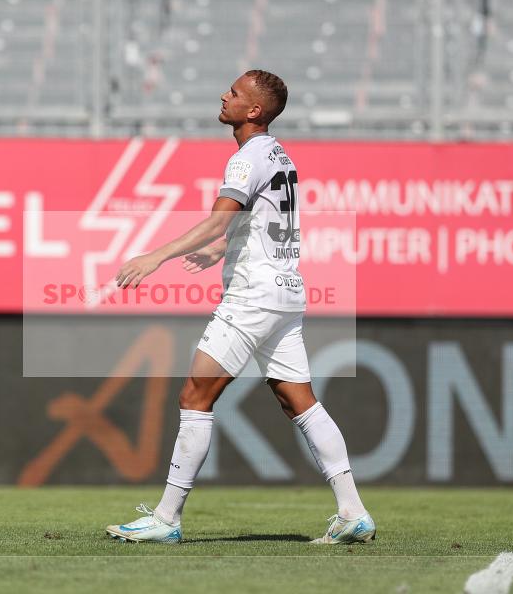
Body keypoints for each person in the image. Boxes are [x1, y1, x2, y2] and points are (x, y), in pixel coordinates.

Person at [105, 70, 375, 545]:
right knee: (300, 401)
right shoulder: (277, 154)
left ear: (253, 111)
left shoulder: (246, 159)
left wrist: (156, 256)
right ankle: (353, 510)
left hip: (254, 296)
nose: (224, 96)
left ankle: (166, 519)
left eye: (233, 93)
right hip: (286, 292)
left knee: (195, 395)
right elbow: (259, 220)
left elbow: (217, 222)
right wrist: (219, 251)